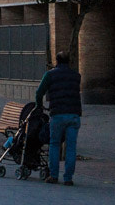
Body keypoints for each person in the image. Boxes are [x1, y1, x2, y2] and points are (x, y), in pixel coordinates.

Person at [35, 52, 82, 185]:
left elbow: (39, 92)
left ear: (57, 61)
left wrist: (39, 106)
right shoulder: (76, 76)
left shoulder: (50, 75)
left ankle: (54, 176)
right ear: (69, 61)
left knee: (55, 144)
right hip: (74, 114)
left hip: (58, 114)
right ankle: (68, 178)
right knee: (71, 147)